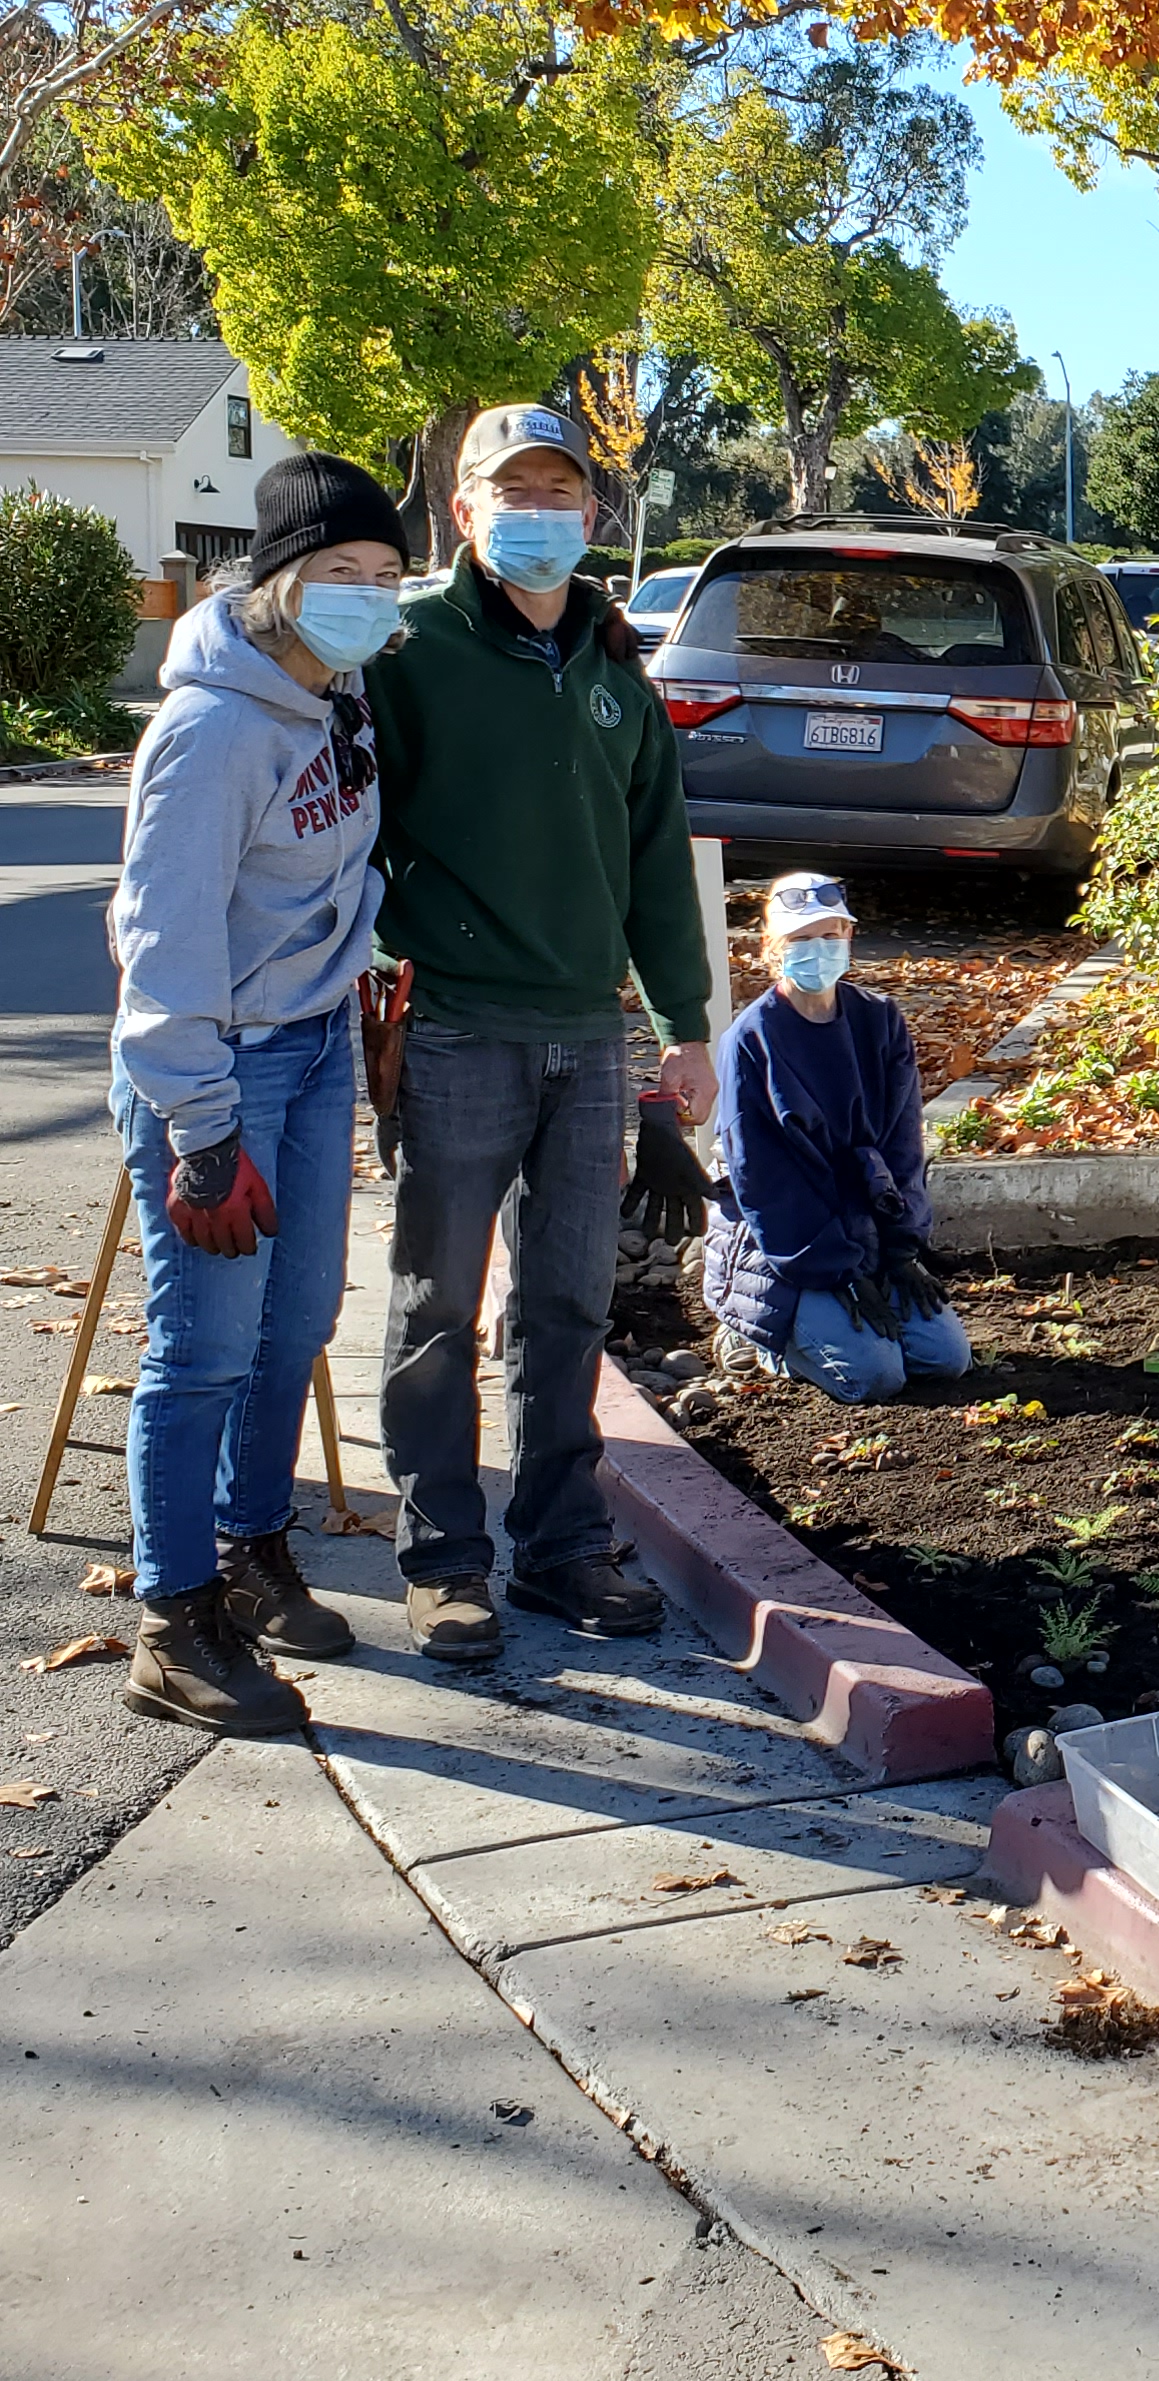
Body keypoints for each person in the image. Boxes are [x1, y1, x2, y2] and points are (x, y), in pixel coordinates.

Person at [365, 402, 716, 1663]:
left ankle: (561, 1545)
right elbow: (340, 820)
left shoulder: (619, 670)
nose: (538, 514)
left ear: (590, 511)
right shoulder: (405, 651)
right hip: (456, 1031)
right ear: (463, 511)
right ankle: (443, 1558)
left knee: (567, 1306)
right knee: (435, 1309)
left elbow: (656, 865)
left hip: (588, 1039)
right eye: (512, 492)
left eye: (560, 492)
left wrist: (684, 1028)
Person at [105, 453, 410, 1730]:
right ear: (275, 580)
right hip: (218, 1074)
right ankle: (173, 1626)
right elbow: (161, 944)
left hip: (314, 1045)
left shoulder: (335, 694)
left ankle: (250, 1549)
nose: (366, 597)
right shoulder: (215, 728)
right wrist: (199, 1132)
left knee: (293, 1330)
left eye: (386, 577)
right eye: (339, 573)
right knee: (202, 1355)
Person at [704, 872, 976, 1402]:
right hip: (785, 1243)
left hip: (867, 1236)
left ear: (850, 938)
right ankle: (755, 1336)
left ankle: (829, 1317)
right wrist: (834, 1270)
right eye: (801, 939)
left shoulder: (879, 1021)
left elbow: (902, 1147)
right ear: (771, 947)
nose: (818, 950)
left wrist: (900, 1249)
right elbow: (763, 1183)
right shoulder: (749, 1041)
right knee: (875, 1378)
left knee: (946, 1359)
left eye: (830, 936)